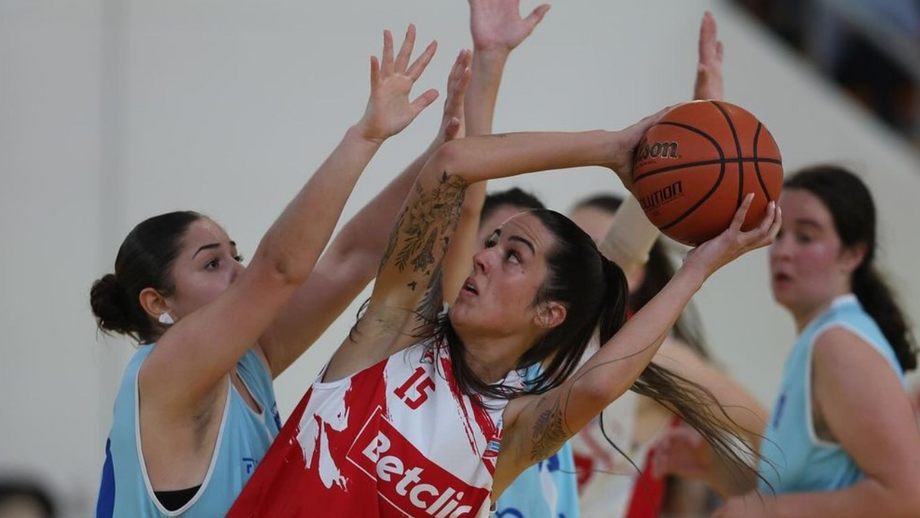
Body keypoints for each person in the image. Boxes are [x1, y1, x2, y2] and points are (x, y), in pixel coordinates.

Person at [224, 81, 782, 515]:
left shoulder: (508, 433)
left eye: (513, 255)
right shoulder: (392, 337)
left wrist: (700, 266)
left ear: (549, 312)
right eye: (490, 243)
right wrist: (610, 146)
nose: (484, 257)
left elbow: (598, 383)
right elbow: (449, 168)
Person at [90, 27, 468, 518]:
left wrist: (440, 155)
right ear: (157, 303)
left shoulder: (252, 356)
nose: (238, 270)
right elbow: (279, 269)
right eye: (211, 262)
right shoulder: (166, 369)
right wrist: (366, 135)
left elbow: (351, 256)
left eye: (234, 253)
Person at [655, 165, 920, 517]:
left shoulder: (839, 343)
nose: (783, 251)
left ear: (852, 255)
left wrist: (765, 513)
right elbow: (805, 495)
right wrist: (716, 469)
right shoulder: (820, 338)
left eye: (806, 237)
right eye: (779, 235)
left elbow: (906, 497)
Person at [568, 193, 767, 518]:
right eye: (568, 244)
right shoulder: (527, 332)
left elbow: (774, 435)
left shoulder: (654, 353)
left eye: (596, 249)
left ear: (634, 274)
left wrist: (714, 471)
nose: (575, 262)